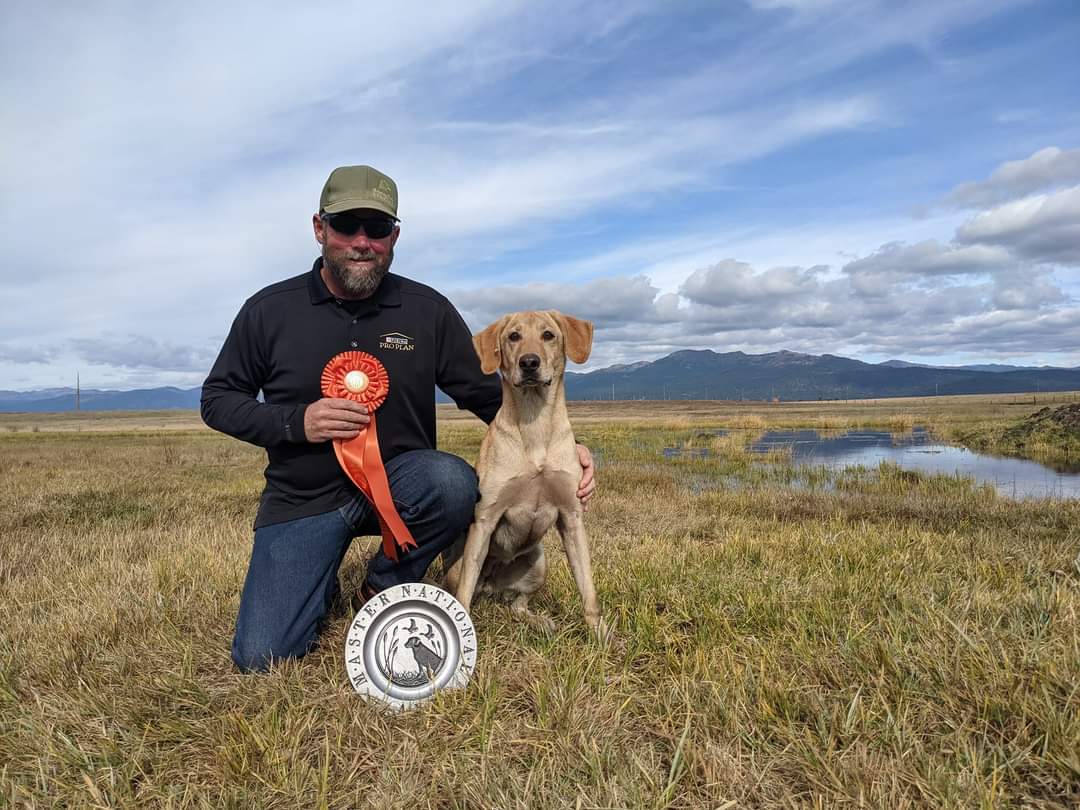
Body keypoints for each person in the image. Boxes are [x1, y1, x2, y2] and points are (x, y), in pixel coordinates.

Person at [201, 165, 596, 673]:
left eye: (378, 228)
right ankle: (316, 578)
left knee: (452, 482)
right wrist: (298, 422)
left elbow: (489, 392)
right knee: (263, 656)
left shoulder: (426, 311)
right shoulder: (268, 311)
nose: (362, 242)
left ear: (395, 237)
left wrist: (571, 449)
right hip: (304, 499)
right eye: (347, 226)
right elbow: (217, 399)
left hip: (402, 490)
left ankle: (383, 583)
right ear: (320, 229)